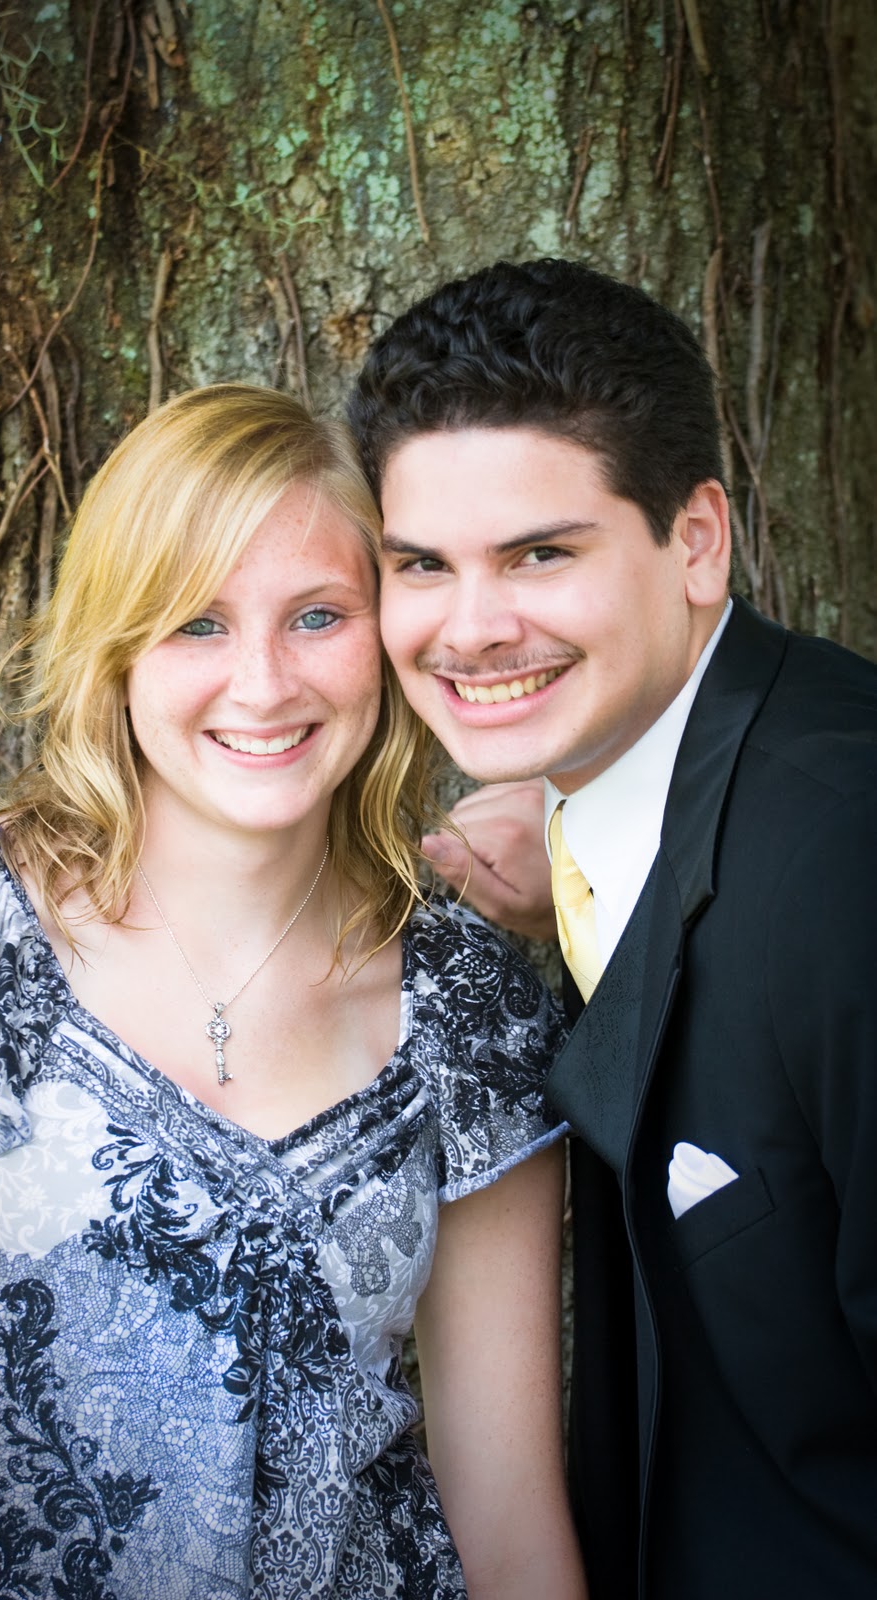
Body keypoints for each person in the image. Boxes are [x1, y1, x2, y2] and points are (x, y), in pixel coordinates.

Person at [0, 383, 586, 1600]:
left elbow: (510, 1521)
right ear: (116, 646)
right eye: (196, 625)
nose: (263, 684)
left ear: (385, 636)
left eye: (317, 616)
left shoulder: (465, 1001)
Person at [347, 258, 877, 1599]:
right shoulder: (615, 804)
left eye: (540, 553)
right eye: (422, 566)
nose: (472, 629)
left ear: (694, 540)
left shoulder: (842, 859)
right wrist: (583, 862)